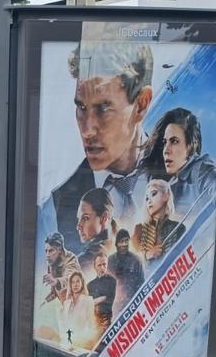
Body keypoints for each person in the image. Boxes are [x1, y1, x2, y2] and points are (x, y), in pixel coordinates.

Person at [43, 41, 154, 253]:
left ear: (141, 104)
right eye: (81, 107)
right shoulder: (61, 201)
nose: (87, 130)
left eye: (103, 108)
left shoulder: (182, 170)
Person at [140, 107, 216, 215]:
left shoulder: (201, 171)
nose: (166, 151)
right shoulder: (166, 184)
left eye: (174, 141)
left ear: (191, 144)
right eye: (165, 142)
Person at [132, 179, 185, 263]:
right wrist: (147, 255)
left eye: (153, 194)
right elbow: (130, 261)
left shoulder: (178, 227)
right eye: (146, 198)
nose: (149, 201)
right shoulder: (139, 229)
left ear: (165, 196)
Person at [75, 187, 118, 279]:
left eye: (85, 218)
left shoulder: (83, 262)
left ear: (104, 218)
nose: (78, 226)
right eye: (79, 219)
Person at [57, 270, 97, 350]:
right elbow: (63, 326)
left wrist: (81, 342)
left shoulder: (88, 300)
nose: (75, 285)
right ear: (70, 285)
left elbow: (91, 327)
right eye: (73, 282)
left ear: (82, 284)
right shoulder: (66, 303)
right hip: (65, 345)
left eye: (78, 281)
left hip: (81, 345)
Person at [108, 229, 145, 311]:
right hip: (115, 307)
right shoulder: (110, 261)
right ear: (116, 244)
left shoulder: (136, 260)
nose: (124, 244)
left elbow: (141, 283)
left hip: (133, 304)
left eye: (126, 241)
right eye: (121, 241)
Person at [41, 232, 81, 304]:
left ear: (59, 250)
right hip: (65, 306)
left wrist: (56, 281)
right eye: (46, 251)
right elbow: (54, 291)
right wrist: (44, 302)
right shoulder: (52, 261)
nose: (47, 255)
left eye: (51, 251)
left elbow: (71, 278)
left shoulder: (70, 259)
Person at [87, 253, 117, 333]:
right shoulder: (90, 285)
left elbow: (108, 299)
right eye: (99, 265)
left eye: (104, 264)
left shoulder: (112, 281)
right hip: (92, 320)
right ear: (95, 266)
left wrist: (92, 302)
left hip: (105, 319)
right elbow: (87, 305)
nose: (102, 268)